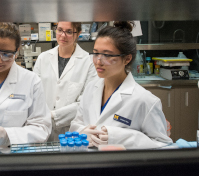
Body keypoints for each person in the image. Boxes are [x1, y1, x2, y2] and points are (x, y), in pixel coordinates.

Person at [70, 21, 173, 149]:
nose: (98, 61)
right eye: (96, 53)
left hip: (121, 167)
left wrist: (120, 137)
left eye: (107, 55)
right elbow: (76, 124)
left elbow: (164, 145)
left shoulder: (145, 100)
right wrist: (82, 132)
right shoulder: (91, 87)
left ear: (127, 59)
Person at [33, 22, 97, 141]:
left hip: (72, 131)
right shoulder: (43, 58)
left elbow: (86, 102)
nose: (63, 35)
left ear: (78, 34)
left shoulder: (89, 62)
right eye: (60, 30)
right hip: (43, 128)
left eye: (69, 32)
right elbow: (34, 94)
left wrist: (54, 115)